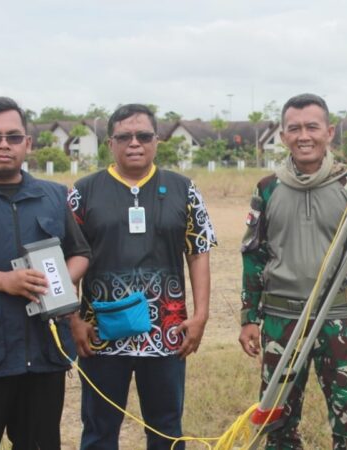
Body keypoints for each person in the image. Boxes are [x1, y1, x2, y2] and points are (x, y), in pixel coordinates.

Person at [238, 93, 347, 449]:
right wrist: (248, 318)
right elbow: (253, 256)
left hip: (340, 319)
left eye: (312, 127)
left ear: (329, 132)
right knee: (277, 422)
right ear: (283, 135)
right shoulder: (268, 188)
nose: (304, 136)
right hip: (280, 319)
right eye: (294, 128)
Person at [0, 96, 90, 449]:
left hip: (43, 354)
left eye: (13, 136)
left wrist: (60, 284)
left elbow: (81, 253)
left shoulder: (54, 196)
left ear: (28, 143)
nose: (4, 145)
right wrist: (3, 281)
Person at [68, 104, 215, 450]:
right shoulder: (83, 192)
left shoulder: (184, 190)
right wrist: (72, 320)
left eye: (144, 136)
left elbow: (199, 251)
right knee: (99, 429)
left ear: (157, 142)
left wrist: (201, 315)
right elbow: (68, 259)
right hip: (100, 333)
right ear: (110, 143)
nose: (134, 143)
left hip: (167, 332)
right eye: (124, 136)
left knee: (165, 427)